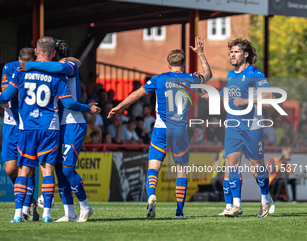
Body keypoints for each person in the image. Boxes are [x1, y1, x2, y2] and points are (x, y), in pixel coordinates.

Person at [108, 36, 212, 218]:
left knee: (153, 166)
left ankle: (151, 196)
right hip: (179, 129)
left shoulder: (159, 79)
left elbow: (137, 94)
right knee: (181, 169)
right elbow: (208, 74)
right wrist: (201, 54)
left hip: (160, 128)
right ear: (184, 64)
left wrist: (120, 106)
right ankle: (179, 212)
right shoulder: (191, 78)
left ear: (168, 64)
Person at [0, 36, 98, 223]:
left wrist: (31, 66)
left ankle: (84, 206)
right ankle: (66, 213)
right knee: (55, 170)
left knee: (59, 169)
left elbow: (5, 97)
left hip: (69, 123)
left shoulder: (66, 67)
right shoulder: (54, 73)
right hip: (53, 126)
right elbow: (65, 97)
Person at [200, 38, 274, 218]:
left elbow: (271, 97)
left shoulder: (255, 74)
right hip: (233, 125)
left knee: (257, 167)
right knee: (231, 164)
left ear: (246, 54)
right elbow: (227, 94)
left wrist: (246, 101)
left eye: (236, 51)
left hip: (252, 126)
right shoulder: (231, 75)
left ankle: (265, 200)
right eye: (231, 52)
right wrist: (212, 96)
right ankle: (236, 205)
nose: (232, 55)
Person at [0, 48, 39, 221]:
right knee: (10, 169)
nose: (27, 65)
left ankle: (26, 205)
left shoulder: (39, 69)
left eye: (31, 62)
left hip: (27, 123)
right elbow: (5, 90)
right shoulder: (10, 68)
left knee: (28, 169)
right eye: (25, 62)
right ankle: (26, 199)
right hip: (10, 122)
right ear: (19, 60)